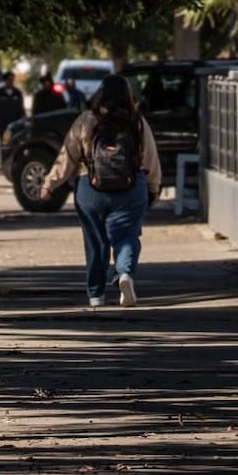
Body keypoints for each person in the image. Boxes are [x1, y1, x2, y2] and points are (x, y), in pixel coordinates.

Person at [39, 74, 161, 308]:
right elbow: (150, 159)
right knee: (127, 236)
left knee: (95, 242)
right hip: (130, 188)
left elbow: (68, 156)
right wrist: (153, 188)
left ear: (100, 93)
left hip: (90, 188)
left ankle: (96, 294)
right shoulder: (136, 122)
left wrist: (50, 183)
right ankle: (124, 273)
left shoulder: (86, 120)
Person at [0, 70, 25, 143]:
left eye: (12, 80)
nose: (10, 82)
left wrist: (23, 119)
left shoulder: (17, 93)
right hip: (2, 123)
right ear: (5, 80)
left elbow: (21, 108)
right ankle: (4, 153)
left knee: (14, 142)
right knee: (5, 142)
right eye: (9, 80)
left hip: (15, 122)